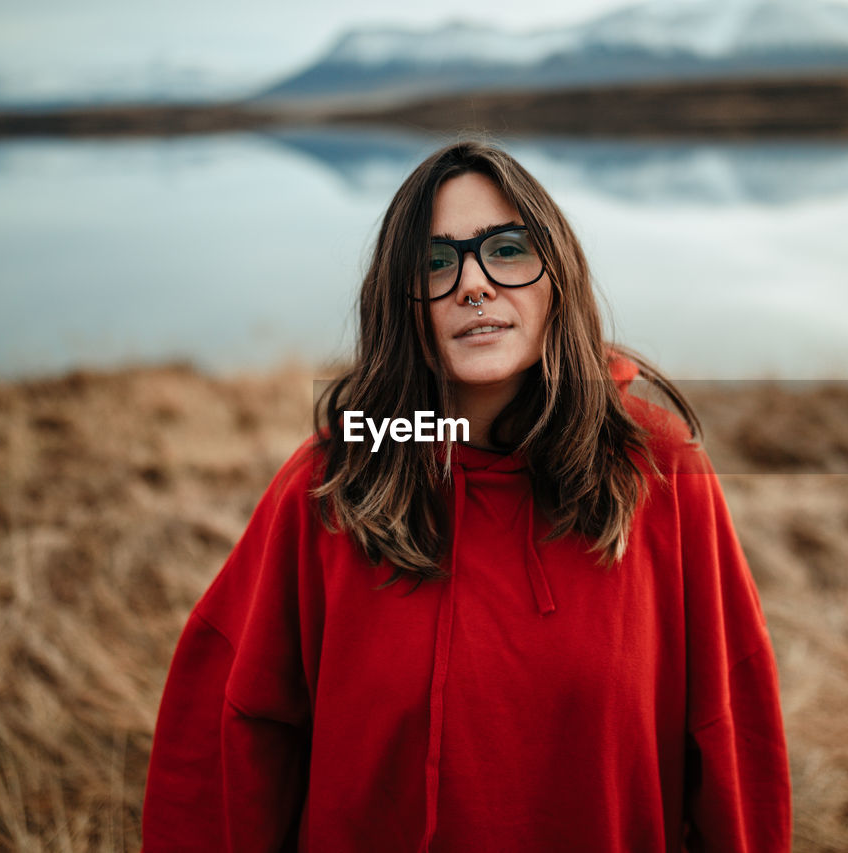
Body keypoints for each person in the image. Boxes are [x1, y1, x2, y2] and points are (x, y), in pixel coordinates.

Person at [141, 140, 791, 852]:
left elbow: (734, 741)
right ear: (402, 304)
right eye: (436, 262)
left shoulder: (659, 473)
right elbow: (228, 736)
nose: (473, 284)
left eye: (506, 249)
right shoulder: (334, 485)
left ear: (559, 275)